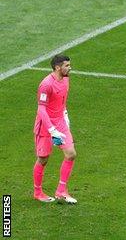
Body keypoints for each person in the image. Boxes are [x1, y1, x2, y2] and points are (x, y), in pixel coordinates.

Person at [32, 54, 78, 204]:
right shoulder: (46, 84)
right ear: (58, 67)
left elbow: (62, 101)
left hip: (60, 122)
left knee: (70, 154)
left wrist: (65, 115)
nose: (69, 68)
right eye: (67, 65)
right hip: (46, 126)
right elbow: (41, 110)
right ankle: (38, 192)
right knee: (43, 159)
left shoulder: (66, 79)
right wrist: (52, 130)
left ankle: (61, 191)